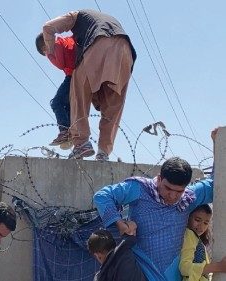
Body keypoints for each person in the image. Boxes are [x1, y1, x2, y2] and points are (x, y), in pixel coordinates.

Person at [93, 125, 218, 281]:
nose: (172, 196)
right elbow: (102, 196)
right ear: (159, 178)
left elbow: (216, 185)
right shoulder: (140, 189)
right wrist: (119, 223)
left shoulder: (189, 198)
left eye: (179, 191)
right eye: (167, 188)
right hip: (141, 272)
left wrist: (217, 144)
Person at [42, 9, 137, 161]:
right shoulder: (104, 17)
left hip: (98, 43)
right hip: (126, 52)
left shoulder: (76, 16)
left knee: (78, 95)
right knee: (112, 107)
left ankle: (81, 143)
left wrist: (51, 50)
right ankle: (103, 152)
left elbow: (48, 27)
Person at [35, 33, 76, 149]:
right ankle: (71, 130)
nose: (47, 54)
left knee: (56, 102)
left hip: (72, 76)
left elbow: (60, 64)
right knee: (67, 105)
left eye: (45, 51)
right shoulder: (65, 41)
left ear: (45, 46)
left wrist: (49, 54)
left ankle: (65, 131)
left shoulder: (57, 45)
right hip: (79, 75)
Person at [180, 204, 226, 281]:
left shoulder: (197, 239)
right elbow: (184, 267)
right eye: (197, 220)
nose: (201, 226)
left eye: (205, 223)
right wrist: (218, 267)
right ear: (188, 217)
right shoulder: (189, 234)